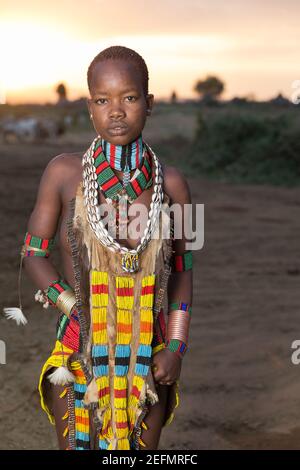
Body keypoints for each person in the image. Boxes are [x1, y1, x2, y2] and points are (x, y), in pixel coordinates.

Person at [7, 45, 193, 450]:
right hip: (79, 348)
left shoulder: (174, 185)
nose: (116, 111)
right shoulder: (62, 172)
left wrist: (175, 348)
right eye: (102, 100)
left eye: (129, 98)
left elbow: (182, 272)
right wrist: (75, 309)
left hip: (149, 353)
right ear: (89, 106)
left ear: (150, 102)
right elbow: (32, 253)